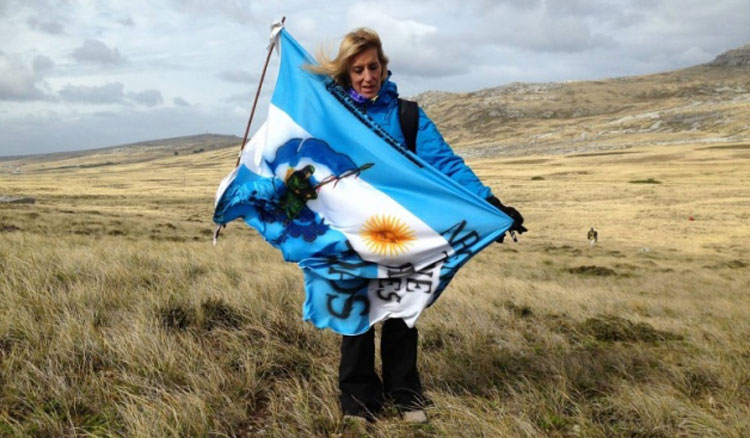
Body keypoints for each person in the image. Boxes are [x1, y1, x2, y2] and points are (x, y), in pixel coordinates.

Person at [307, 28, 526, 424]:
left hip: (400, 231)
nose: (367, 76)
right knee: (359, 310)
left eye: (373, 66)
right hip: (353, 230)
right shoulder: (334, 116)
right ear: (346, 73)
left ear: (384, 66)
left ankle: (405, 393)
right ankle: (357, 398)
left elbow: (445, 162)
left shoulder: (407, 115)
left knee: (401, 308)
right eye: (358, 69)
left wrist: (488, 201)